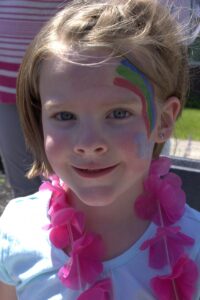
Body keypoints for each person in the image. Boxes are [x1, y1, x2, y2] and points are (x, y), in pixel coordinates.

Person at [0, 0, 200, 299]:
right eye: (65, 116)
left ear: (165, 120)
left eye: (118, 113)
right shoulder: (16, 232)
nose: (89, 143)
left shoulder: (194, 246)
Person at [0, 1, 63, 197]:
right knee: (22, 177)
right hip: (6, 86)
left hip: (64, 85)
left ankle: (70, 224)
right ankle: (28, 224)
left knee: (65, 175)